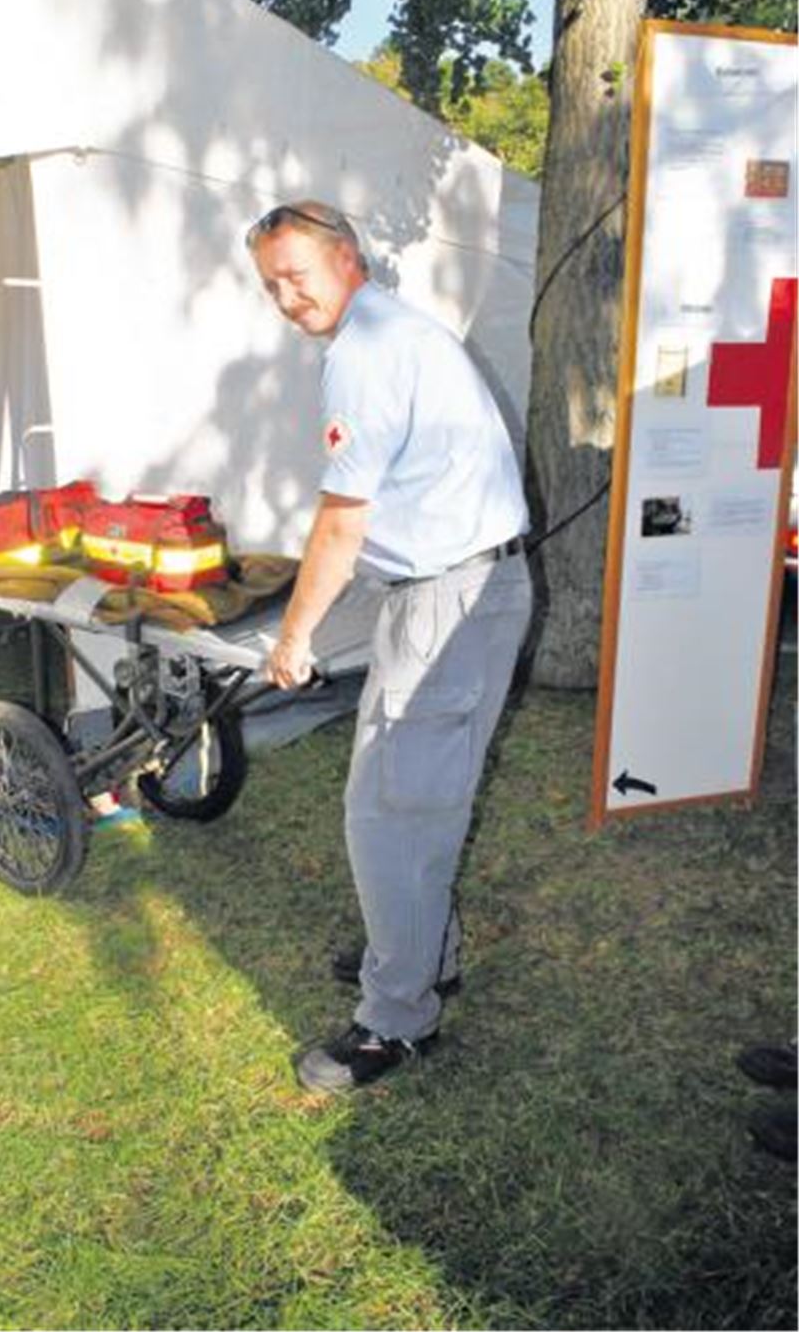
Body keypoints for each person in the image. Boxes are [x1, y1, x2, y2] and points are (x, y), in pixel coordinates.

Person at [247, 201, 531, 1093]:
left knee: (386, 814)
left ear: (346, 258)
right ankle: (422, 952)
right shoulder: (397, 328)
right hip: (465, 590)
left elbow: (343, 519)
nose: (288, 296)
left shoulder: (366, 353)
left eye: (298, 273)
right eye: (271, 284)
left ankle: (395, 1020)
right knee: (421, 800)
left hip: (449, 600)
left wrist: (292, 637)